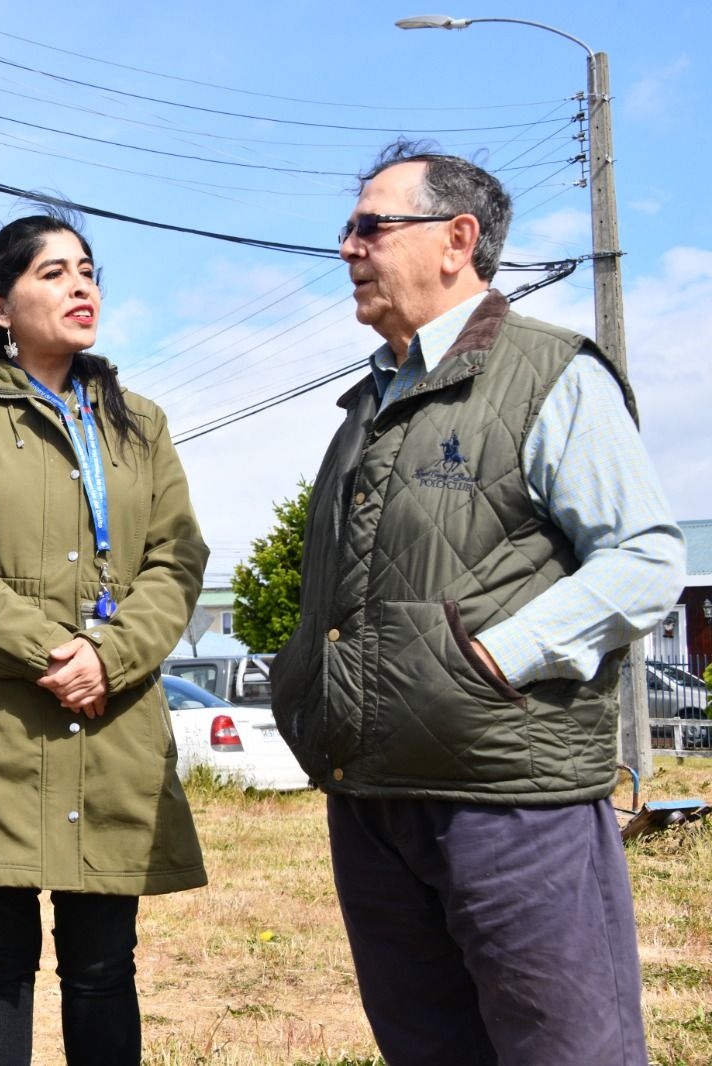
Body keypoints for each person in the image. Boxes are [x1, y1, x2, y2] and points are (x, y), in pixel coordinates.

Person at [271, 141, 687, 1066]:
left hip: (512, 802)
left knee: (565, 1052)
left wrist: (500, 655)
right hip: (375, 802)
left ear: (457, 239)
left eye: (370, 225)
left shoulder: (550, 374)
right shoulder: (365, 407)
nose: (348, 248)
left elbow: (647, 558)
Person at [0, 213, 211, 1065]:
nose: (81, 286)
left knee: (103, 964)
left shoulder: (141, 424)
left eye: (87, 270)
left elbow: (177, 559)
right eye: (53, 274)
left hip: (113, 721)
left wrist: (110, 655)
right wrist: (50, 650)